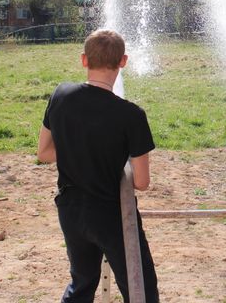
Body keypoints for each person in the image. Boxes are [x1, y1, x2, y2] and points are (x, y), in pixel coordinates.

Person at [37, 29, 159, 303]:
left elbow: (44, 152)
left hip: (70, 209)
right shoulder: (132, 115)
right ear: (123, 61)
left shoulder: (61, 95)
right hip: (110, 213)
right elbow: (141, 181)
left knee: (82, 283)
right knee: (142, 290)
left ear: (84, 60)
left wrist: (77, 151)